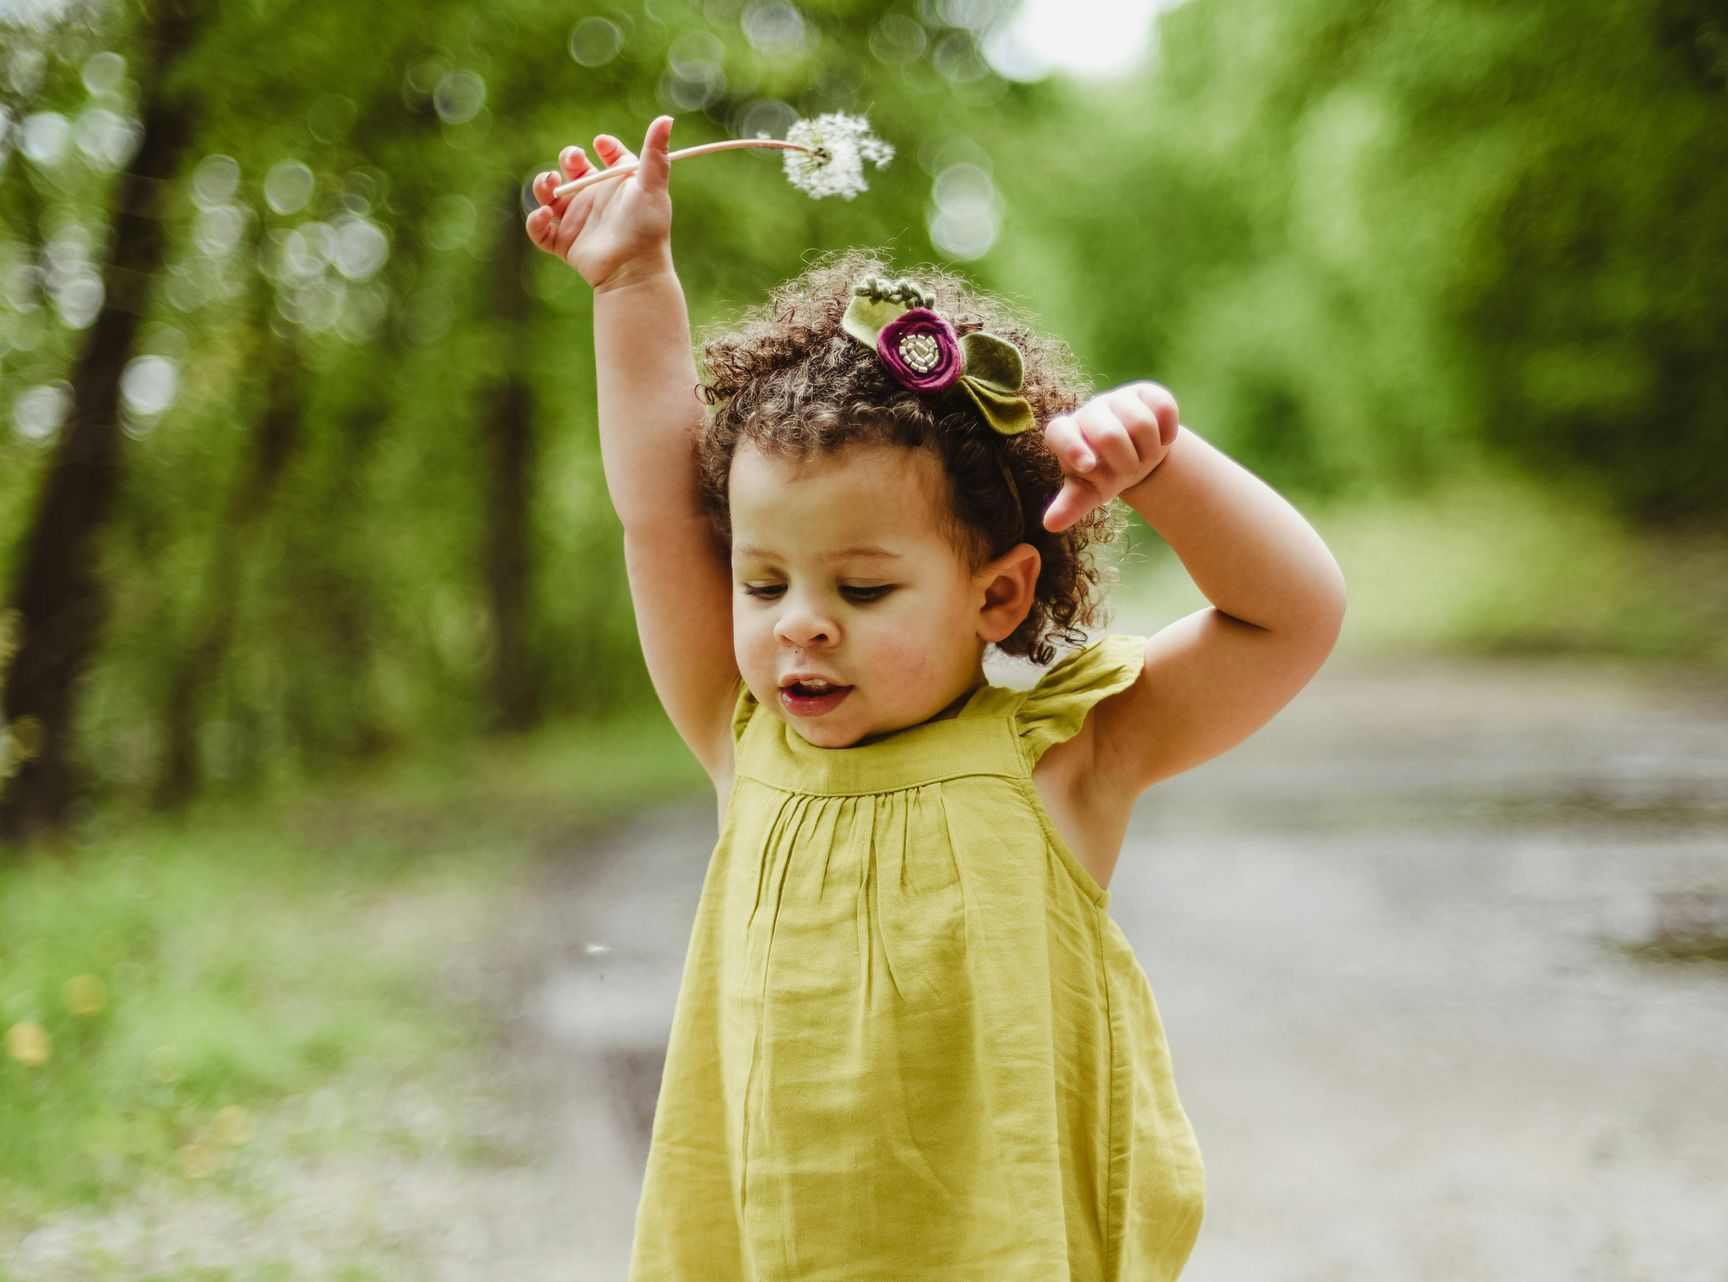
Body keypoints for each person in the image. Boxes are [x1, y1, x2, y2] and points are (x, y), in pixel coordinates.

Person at [526, 114, 1348, 1282]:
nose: (799, 619)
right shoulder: (743, 733)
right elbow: (661, 507)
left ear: (1000, 594)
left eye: (862, 586)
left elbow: (1291, 617)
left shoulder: (1065, 757)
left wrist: (1165, 468)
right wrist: (633, 280)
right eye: (762, 580)